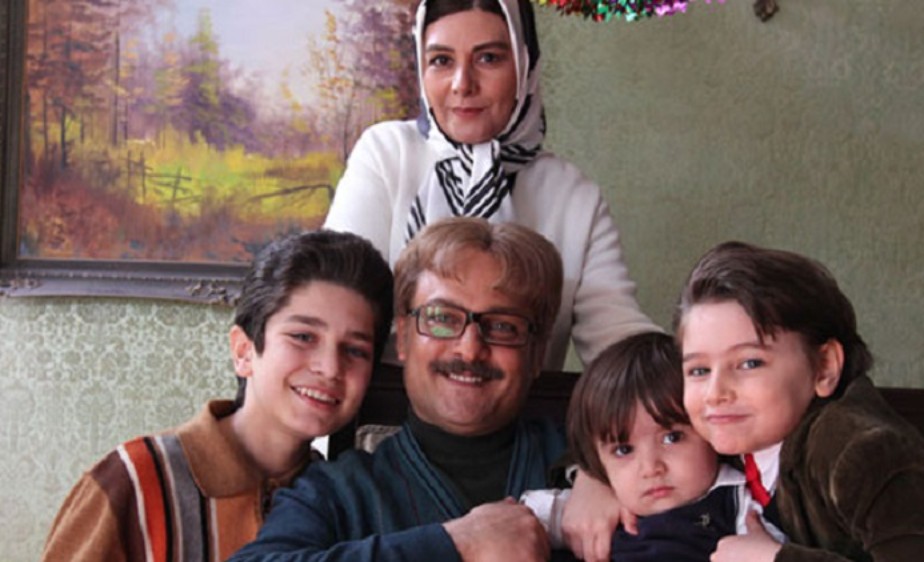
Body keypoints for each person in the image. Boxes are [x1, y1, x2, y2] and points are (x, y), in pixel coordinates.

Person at [324, 0, 659, 370]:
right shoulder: (387, 153)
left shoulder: (572, 195)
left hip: (519, 407)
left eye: (488, 58)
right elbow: (334, 297)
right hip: (385, 404)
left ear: (524, 65)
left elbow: (617, 335)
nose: (462, 84)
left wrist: (693, 367)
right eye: (441, 60)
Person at [230, 217, 576, 562]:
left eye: (503, 326)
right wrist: (454, 544)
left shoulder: (588, 463)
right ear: (404, 338)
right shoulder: (337, 491)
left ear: (537, 354)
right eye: (442, 318)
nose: (470, 350)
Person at [40, 230, 394, 562]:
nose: (330, 368)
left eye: (355, 350)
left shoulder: (346, 499)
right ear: (243, 351)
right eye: (303, 337)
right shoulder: (133, 478)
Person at [674, 241, 924, 562]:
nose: (716, 392)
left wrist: (776, 559)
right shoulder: (720, 446)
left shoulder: (863, 451)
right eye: (699, 370)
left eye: (750, 363)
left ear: (825, 366)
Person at [523, 332, 776, 562]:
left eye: (672, 438)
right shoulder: (600, 505)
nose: (651, 468)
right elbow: (517, 522)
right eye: (624, 450)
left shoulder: (738, 501)